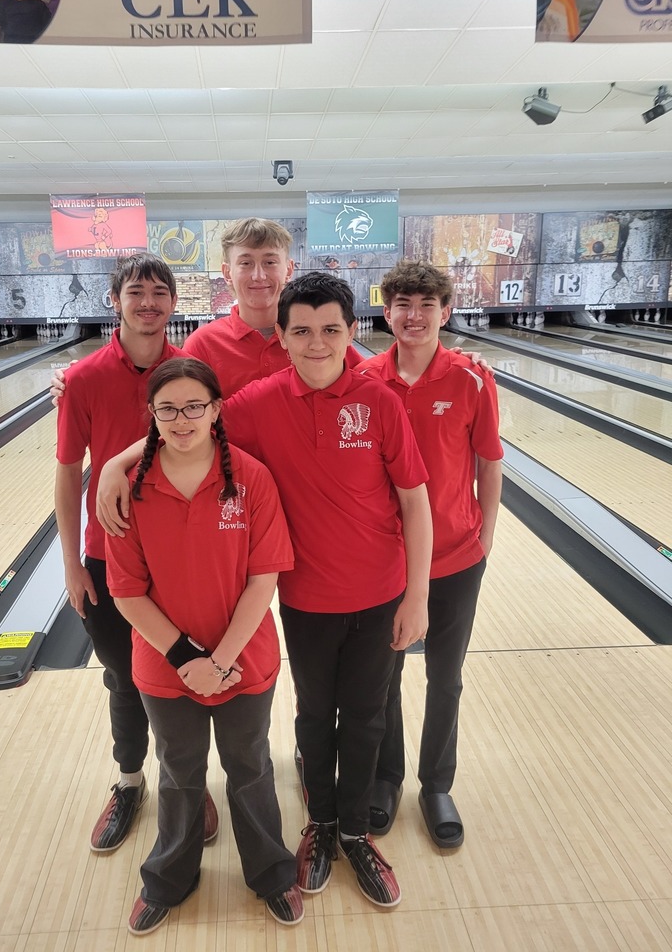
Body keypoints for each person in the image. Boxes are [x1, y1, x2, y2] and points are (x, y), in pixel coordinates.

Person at [97, 273, 433, 909]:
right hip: (304, 597)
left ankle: (355, 833)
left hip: (379, 591)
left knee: (366, 718)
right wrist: (118, 464)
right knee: (312, 718)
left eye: (331, 329)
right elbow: (186, 420)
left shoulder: (379, 399)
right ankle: (318, 826)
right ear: (280, 336)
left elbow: (415, 503)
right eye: (301, 331)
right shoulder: (256, 401)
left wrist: (416, 597)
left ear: (352, 331)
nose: (316, 343)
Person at [105, 358, 302, 933]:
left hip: (244, 663)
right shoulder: (132, 489)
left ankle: (271, 873)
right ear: (152, 416)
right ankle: (170, 878)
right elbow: (126, 592)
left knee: (250, 768)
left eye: (196, 405)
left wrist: (219, 661)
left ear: (217, 410)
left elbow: (264, 578)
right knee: (179, 771)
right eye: (168, 408)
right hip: (167, 670)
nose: (182, 418)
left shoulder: (252, 478)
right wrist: (189, 660)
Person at [54, 252, 219, 856]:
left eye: (159, 293)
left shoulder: (195, 373)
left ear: (174, 303)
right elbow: (69, 474)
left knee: (186, 674)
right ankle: (129, 781)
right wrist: (71, 563)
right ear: (115, 299)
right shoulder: (83, 378)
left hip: (183, 554)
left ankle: (190, 782)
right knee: (124, 678)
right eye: (136, 292)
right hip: (108, 557)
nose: (148, 303)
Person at [358, 260, 503, 847]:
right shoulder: (365, 379)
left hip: (456, 557)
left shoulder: (471, 378)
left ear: (446, 312)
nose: (413, 316)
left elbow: (490, 461)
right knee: (383, 676)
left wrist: (485, 534)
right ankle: (385, 779)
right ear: (386, 312)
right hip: (387, 562)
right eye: (402, 304)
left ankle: (436, 783)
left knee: (446, 677)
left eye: (426, 305)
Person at [183, 218, 362, 399]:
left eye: (270, 262)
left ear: (289, 269)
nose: (258, 276)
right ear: (227, 273)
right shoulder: (202, 346)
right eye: (246, 263)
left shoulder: (326, 342)